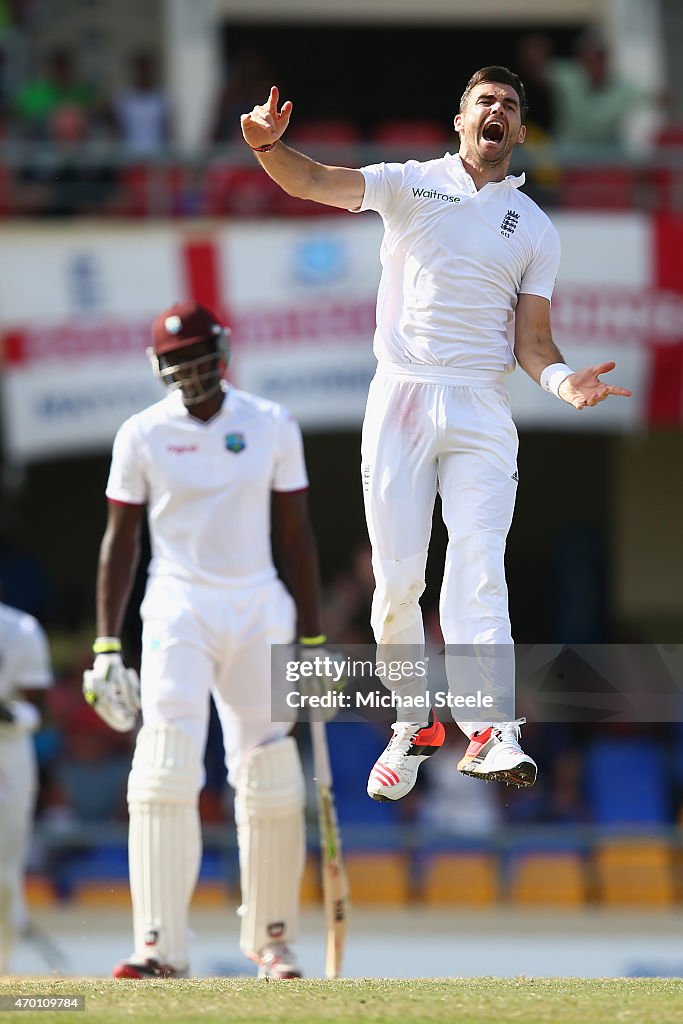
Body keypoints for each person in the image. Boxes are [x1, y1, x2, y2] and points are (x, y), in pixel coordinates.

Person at [240, 67, 632, 803]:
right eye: (484, 101)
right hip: (402, 397)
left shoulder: (534, 229)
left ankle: (487, 728)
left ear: (517, 132)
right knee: (397, 583)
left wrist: (561, 381)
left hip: (481, 405)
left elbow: (536, 343)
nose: (497, 111)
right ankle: (413, 723)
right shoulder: (407, 183)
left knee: (479, 564)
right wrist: (268, 151)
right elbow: (317, 182)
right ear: (459, 120)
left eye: (510, 107)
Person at [82, 300, 326, 979]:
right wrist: (108, 645)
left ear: (221, 352)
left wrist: (311, 638)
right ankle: (159, 945)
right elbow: (119, 541)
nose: (189, 374)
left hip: (258, 606)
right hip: (177, 607)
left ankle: (272, 942)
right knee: (163, 766)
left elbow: (295, 534)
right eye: (175, 364)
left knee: (269, 772)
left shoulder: (271, 424)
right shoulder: (141, 434)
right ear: (158, 369)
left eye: (197, 358)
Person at [0, 594, 53, 973]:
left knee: (3, 871)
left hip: (6, 757)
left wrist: (8, 712)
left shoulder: (19, 629)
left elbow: (39, 711)